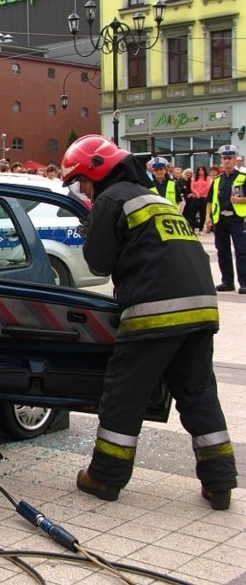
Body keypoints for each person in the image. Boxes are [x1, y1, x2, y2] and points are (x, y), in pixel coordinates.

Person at [60, 134, 237, 510]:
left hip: (155, 310)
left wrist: (90, 230)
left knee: (124, 394)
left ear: (98, 170)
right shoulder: (157, 200)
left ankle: (105, 478)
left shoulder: (111, 199)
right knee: (199, 393)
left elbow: (98, 263)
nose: (83, 189)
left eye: (81, 180)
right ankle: (220, 484)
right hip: (202, 308)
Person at [204, 144, 246, 294]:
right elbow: (209, 200)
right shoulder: (217, 180)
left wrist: (243, 200)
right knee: (222, 251)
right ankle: (227, 282)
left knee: (242, 251)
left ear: (235, 160)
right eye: (224, 158)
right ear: (221, 160)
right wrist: (208, 217)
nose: (227, 161)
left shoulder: (243, 178)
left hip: (238, 219)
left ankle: (244, 283)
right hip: (220, 220)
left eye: (230, 158)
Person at [190, 164, 211, 233]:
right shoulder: (194, 178)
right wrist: (197, 193)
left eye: (202, 170)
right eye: (199, 170)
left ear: (205, 171)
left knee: (202, 214)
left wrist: (200, 193)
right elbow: (192, 187)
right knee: (193, 214)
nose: (201, 172)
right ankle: (192, 229)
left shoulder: (208, 178)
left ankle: (201, 229)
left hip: (203, 198)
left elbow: (208, 187)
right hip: (195, 198)